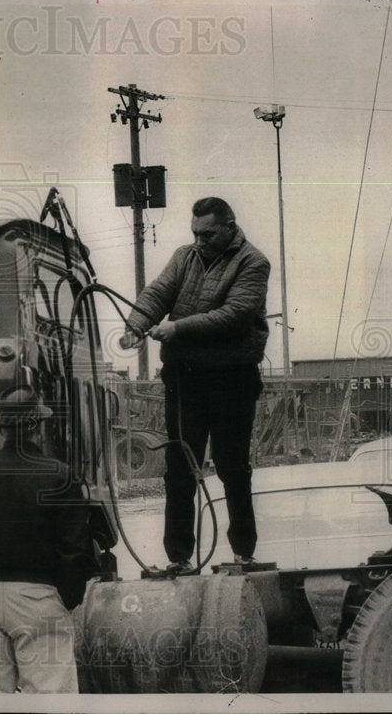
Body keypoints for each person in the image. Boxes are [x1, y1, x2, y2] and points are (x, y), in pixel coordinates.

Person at [122, 197, 270, 573]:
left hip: (231, 380)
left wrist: (177, 328)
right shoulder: (184, 256)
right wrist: (135, 327)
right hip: (185, 379)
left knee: (232, 466)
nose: (199, 240)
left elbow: (235, 315)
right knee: (180, 466)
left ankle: (243, 553)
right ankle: (179, 558)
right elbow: (158, 293)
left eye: (207, 233)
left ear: (230, 226)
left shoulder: (253, 262)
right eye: (195, 233)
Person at [0, 387, 94, 693]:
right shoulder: (59, 476)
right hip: (40, 599)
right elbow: (75, 548)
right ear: (36, 426)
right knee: (51, 700)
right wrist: (69, 598)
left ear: (2, 429)